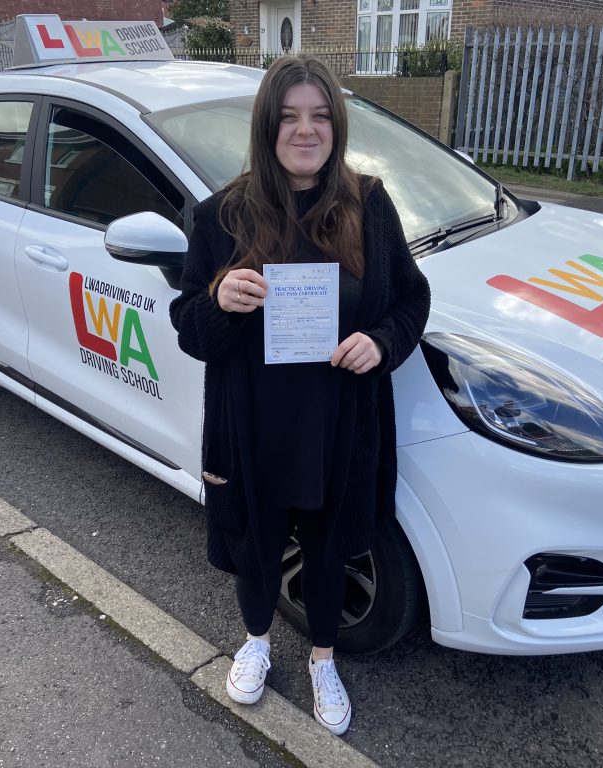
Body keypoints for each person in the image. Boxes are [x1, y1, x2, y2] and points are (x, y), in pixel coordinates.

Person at [169, 53, 430, 736]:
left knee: (327, 548)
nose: (305, 130)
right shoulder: (221, 215)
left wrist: (382, 342)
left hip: (338, 421)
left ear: (336, 126)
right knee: (254, 544)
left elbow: (410, 299)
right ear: (267, 127)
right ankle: (255, 642)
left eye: (319, 116)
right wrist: (219, 299)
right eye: (289, 117)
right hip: (252, 424)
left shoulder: (368, 205)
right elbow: (189, 328)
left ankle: (322, 660)